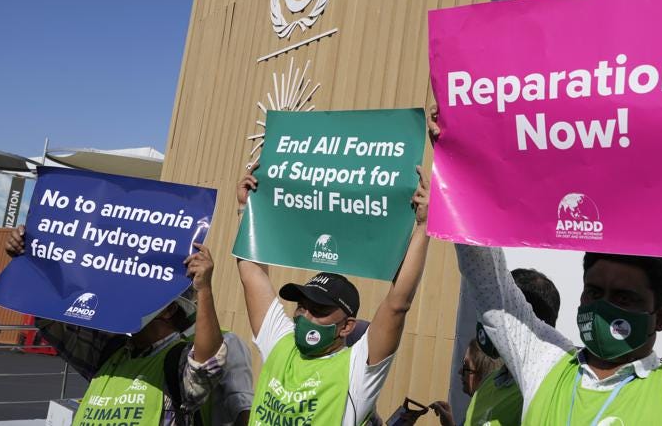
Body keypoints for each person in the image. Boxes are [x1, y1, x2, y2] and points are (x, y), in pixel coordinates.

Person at [427, 89, 662, 425]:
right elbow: (491, 290)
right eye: (594, 292)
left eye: (624, 298)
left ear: (660, 317)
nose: (603, 307)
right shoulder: (545, 364)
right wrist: (458, 167)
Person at [236, 163, 431, 425]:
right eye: (302, 306)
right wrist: (247, 209)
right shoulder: (280, 344)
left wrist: (423, 226)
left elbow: (398, 304)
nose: (305, 316)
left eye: (318, 310)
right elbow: (252, 275)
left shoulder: (357, 371)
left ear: (346, 326)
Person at [5, 228, 226, 426]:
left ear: (168, 311)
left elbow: (205, 365)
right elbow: (51, 319)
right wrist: (29, 261)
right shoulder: (110, 352)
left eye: (140, 294)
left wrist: (204, 288)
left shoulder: (176, 360)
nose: (127, 299)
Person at [431, 268, 560, 426]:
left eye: (498, 312)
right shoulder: (489, 384)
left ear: (526, 320)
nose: (490, 321)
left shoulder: (546, 394)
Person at [429, 338, 502, 426]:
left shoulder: (490, 416)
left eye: (466, 366)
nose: (460, 372)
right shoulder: (479, 409)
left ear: (483, 371)